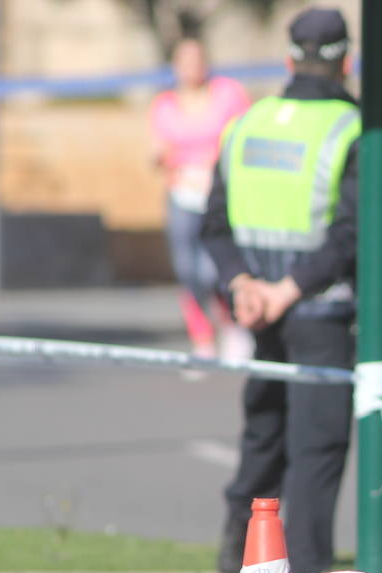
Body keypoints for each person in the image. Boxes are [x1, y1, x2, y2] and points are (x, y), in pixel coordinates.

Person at [201, 7, 360, 573]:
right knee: (317, 445)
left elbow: (213, 223)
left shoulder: (247, 123)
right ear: (346, 60)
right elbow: (352, 233)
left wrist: (244, 285)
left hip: (257, 308)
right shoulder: (352, 128)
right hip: (318, 306)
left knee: (263, 428)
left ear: (290, 58)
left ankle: (235, 548)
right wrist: (285, 290)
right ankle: (309, 568)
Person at [149, 36, 254, 363]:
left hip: (220, 194)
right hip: (183, 191)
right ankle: (202, 337)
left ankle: (232, 326)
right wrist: (163, 159)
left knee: (214, 269)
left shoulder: (228, 94)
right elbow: (156, 150)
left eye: (197, 59)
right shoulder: (164, 105)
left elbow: (246, 136)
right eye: (185, 61)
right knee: (187, 269)